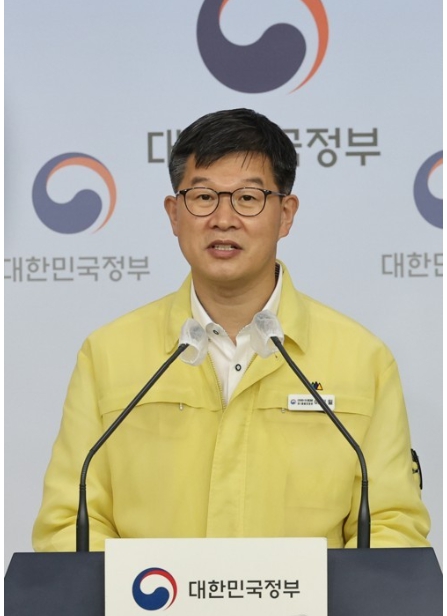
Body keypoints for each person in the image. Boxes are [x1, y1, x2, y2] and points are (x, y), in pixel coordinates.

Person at [32, 108, 430, 552]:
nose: (223, 219)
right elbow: (69, 522)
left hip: (304, 603)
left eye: (248, 198)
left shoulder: (361, 359)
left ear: (286, 214)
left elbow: (391, 525)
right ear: (174, 214)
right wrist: (146, 593)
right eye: (203, 197)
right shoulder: (108, 354)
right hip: (150, 598)